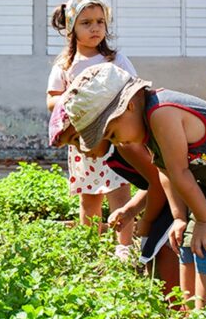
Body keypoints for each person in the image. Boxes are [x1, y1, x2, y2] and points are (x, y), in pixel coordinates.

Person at [64, 63, 206, 308]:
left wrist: (204, 220)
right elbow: (165, 172)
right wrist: (180, 217)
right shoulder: (146, 125)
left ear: (129, 106)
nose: (118, 142)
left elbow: (180, 172)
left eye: (113, 134)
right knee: (187, 245)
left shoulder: (162, 113)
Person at [49, 100, 179, 298]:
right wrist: (131, 211)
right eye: (74, 145)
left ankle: (185, 314)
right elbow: (155, 183)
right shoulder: (114, 150)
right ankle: (175, 311)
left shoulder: (125, 145)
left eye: (78, 139)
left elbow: (161, 182)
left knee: (166, 250)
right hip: (172, 197)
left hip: (181, 199)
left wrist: (146, 221)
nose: (81, 150)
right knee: (155, 253)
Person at [46, 0, 134, 259]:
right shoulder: (66, 65)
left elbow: (133, 90)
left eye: (100, 22)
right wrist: (75, 100)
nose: (95, 28)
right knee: (89, 196)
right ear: (72, 29)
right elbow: (52, 99)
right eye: (86, 23)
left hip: (115, 140)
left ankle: (124, 246)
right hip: (83, 144)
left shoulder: (115, 60)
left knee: (120, 190)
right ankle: (90, 247)